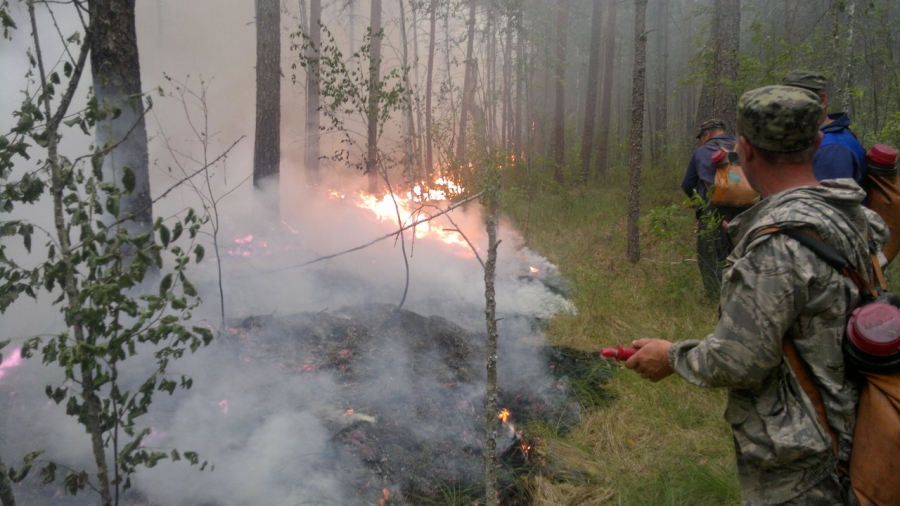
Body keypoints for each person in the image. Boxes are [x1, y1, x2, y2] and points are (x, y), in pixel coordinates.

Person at [626, 85, 888, 505]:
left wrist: (671, 356)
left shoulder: (775, 246)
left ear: (743, 150)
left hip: (807, 459)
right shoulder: (850, 214)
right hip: (861, 423)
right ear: (818, 142)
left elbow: (740, 360)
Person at [681, 119, 749, 300]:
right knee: (744, 252)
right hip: (749, 206)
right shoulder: (742, 146)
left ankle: (715, 298)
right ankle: (744, 295)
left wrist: (698, 201)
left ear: (707, 135)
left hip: (714, 207)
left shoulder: (702, 151)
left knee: (710, 254)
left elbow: (687, 184)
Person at [782, 70, 867, 185]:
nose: (790, 108)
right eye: (785, 100)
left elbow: (825, 202)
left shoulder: (832, 149)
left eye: (798, 100)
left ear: (822, 101)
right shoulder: (818, 137)